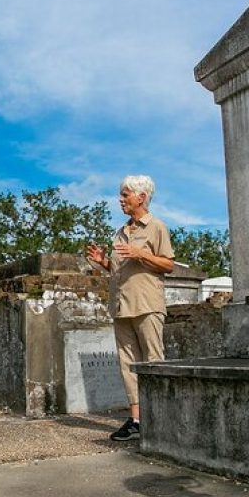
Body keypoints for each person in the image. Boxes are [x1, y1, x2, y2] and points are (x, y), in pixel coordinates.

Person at [86, 175, 175, 442]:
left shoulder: (157, 227)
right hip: (122, 306)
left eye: (125, 195)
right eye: (121, 194)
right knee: (128, 364)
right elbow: (121, 268)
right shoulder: (121, 232)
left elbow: (168, 264)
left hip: (147, 305)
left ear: (142, 197)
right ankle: (136, 420)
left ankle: (161, 417)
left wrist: (141, 254)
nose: (121, 199)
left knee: (153, 360)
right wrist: (104, 263)